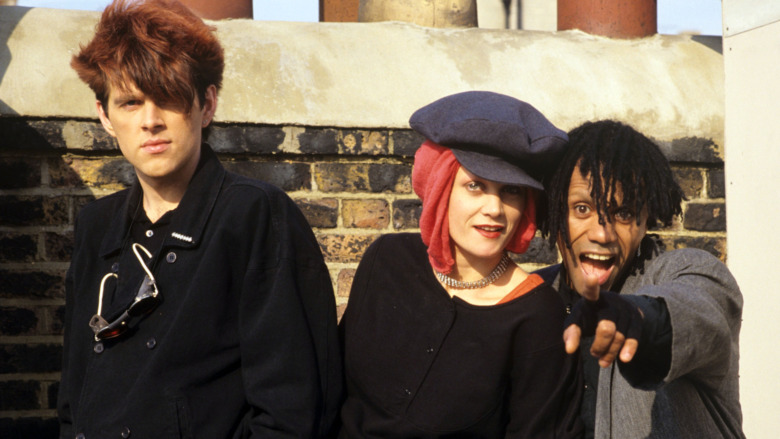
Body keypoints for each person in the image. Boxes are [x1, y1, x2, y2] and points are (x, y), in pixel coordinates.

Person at [57, 1, 342, 437]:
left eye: (168, 98)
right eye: (130, 102)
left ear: (206, 105)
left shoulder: (255, 216)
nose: (150, 122)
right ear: (105, 117)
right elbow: (75, 395)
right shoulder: (97, 223)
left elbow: (294, 408)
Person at [338, 91, 583, 438]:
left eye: (510, 191)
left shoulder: (538, 315)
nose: (494, 209)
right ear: (440, 188)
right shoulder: (387, 261)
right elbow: (333, 389)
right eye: (475, 186)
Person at [536, 120, 744, 438]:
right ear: (555, 211)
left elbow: (697, 309)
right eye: (581, 209)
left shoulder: (687, 270)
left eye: (623, 214)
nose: (601, 233)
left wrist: (638, 316)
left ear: (646, 221)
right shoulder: (532, 299)